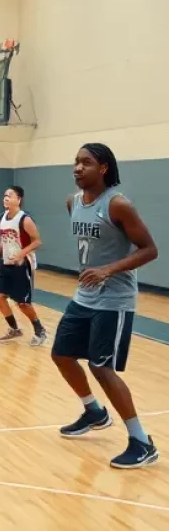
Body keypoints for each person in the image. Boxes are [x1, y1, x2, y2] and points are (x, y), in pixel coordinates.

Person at [52, 143, 159, 469]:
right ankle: (94, 411)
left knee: (101, 367)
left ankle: (142, 442)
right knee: (61, 354)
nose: (77, 168)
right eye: (76, 162)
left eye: (86, 162)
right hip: (84, 296)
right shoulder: (73, 202)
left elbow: (149, 249)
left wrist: (108, 269)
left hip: (114, 300)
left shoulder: (118, 204)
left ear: (103, 168)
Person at [0, 185, 47, 345]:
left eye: (10, 195)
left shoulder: (25, 219)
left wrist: (21, 254)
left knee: (22, 303)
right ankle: (14, 329)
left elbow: (37, 241)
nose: (6, 198)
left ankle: (40, 330)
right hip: (6, 263)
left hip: (23, 264)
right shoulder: (2, 217)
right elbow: (3, 240)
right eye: (5, 195)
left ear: (18, 199)